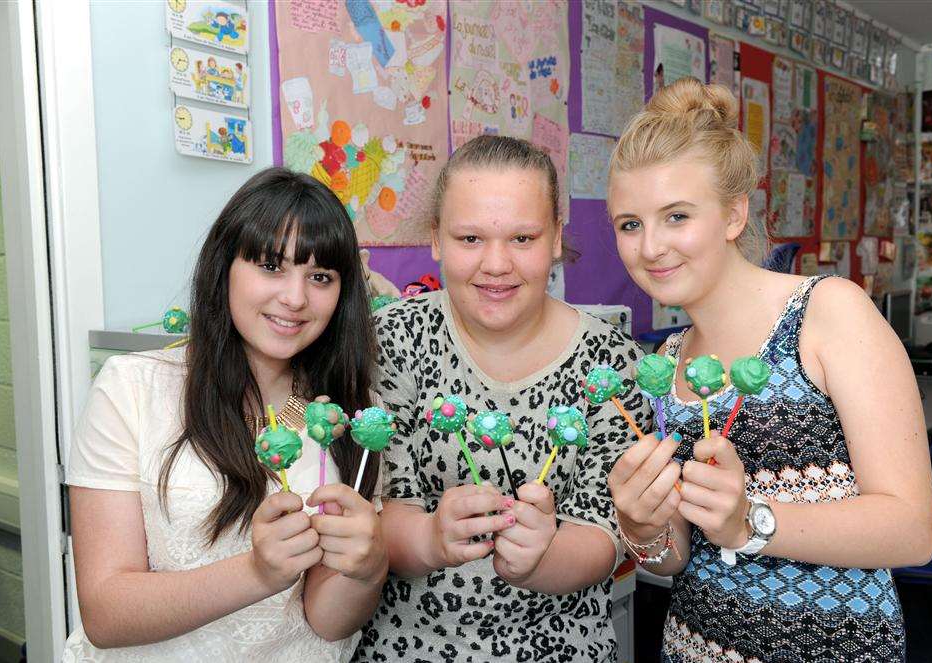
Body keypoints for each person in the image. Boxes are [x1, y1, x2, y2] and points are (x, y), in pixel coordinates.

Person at [606, 78, 932, 662]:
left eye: (676, 216)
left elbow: (914, 530)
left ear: (734, 215)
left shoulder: (828, 312)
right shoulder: (665, 363)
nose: (650, 246)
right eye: (629, 224)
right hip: (696, 645)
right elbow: (678, 556)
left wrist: (751, 523)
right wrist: (640, 525)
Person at [63, 168, 386, 661]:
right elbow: (105, 614)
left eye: (320, 276)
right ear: (224, 267)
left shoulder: (348, 413)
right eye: (271, 266)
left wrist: (367, 568)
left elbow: (325, 621)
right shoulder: (131, 388)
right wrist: (257, 573)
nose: (296, 298)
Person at [355, 135, 650, 662]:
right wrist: (429, 539)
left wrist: (543, 557)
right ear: (437, 240)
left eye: (521, 237)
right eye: (470, 238)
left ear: (556, 239)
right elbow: (375, 509)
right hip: (409, 645)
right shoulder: (390, 340)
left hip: (563, 647)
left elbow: (606, 539)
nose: (496, 264)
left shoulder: (611, 364)